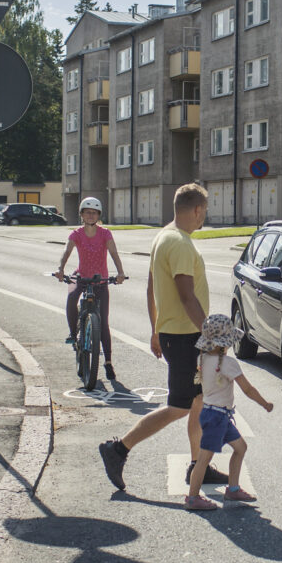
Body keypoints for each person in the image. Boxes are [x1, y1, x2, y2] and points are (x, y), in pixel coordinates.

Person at [98, 183, 230, 491]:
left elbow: (151, 289)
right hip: (186, 337)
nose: (204, 218)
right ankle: (118, 449)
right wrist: (211, 336)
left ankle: (199, 466)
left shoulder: (162, 237)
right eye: (204, 212)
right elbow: (187, 296)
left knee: (198, 401)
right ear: (197, 209)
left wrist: (155, 330)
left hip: (175, 334)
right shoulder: (181, 244)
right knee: (181, 406)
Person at [185, 313, 274, 511]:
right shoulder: (227, 363)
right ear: (226, 341)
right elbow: (248, 389)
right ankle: (192, 498)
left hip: (214, 414)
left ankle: (233, 489)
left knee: (240, 447)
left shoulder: (205, 359)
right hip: (217, 417)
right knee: (203, 459)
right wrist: (264, 403)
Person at [55, 197, 127, 381]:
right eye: (87, 212)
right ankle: (73, 333)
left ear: (98, 215)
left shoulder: (105, 234)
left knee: (103, 324)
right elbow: (66, 252)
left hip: (100, 280)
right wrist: (61, 269)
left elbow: (114, 254)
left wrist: (120, 272)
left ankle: (108, 362)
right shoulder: (76, 234)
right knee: (72, 298)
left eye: (94, 213)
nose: (90, 215)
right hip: (81, 277)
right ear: (81, 214)